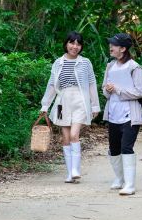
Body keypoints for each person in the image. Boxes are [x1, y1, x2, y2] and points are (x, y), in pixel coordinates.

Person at [40, 32, 101, 183]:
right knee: (65, 138)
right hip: (62, 102)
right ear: (66, 44)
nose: (75, 47)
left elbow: (92, 83)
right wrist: (45, 105)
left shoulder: (85, 62)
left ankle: (76, 170)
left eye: (78, 44)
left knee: (74, 135)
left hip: (80, 100)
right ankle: (69, 173)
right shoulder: (58, 63)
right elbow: (52, 85)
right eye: (72, 43)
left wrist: (95, 105)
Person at [101, 33, 142, 196]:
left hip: (130, 115)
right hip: (113, 114)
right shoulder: (110, 66)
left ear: (123, 48)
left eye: (114, 45)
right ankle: (119, 179)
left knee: (126, 147)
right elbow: (105, 90)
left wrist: (118, 90)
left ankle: (130, 185)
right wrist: (108, 90)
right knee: (114, 149)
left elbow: (140, 92)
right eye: (111, 44)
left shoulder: (134, 67)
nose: (110, 47)